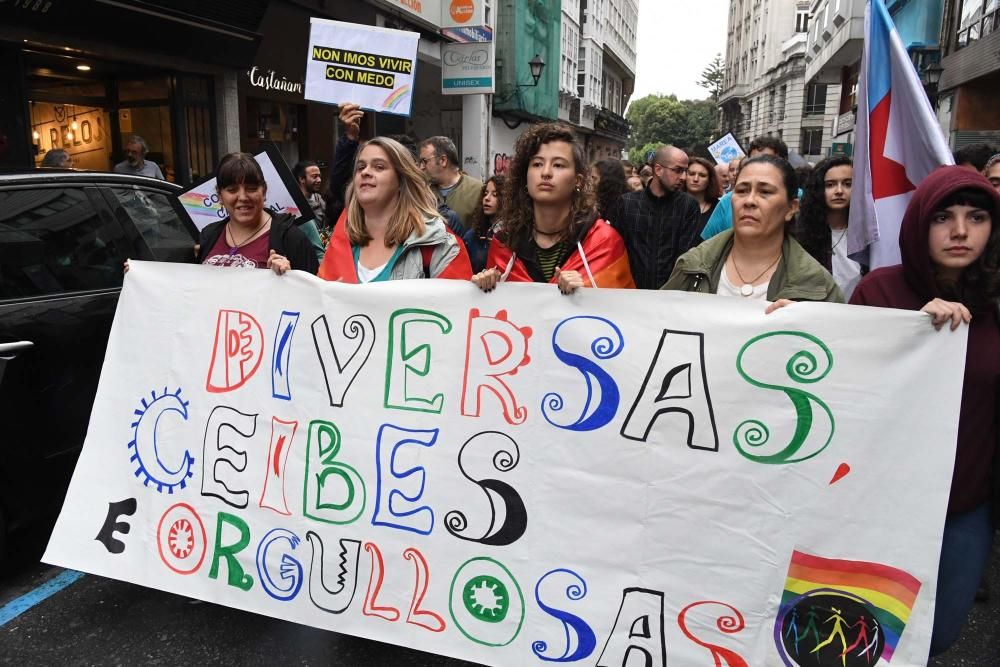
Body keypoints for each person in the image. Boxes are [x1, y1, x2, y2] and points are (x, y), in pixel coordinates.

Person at [849, 166, 1000, 656]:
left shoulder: (996, 304)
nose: (960, 231)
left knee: (942, 630)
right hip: (881, 503)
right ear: (918, 224)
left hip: (964, 505)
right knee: (869, 632)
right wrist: (908, 336)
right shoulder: (879, 293)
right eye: (943, 217)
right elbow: (847, 388)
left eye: (976, 216)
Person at [471, 123, 634, 294]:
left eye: (558, 165)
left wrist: (588, 291)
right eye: (537, 164)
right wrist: (484, 287)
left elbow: (623, 312)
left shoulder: (604, 242)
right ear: (525, 177)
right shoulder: (504, 243)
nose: (546, 172)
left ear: (578, 180)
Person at [662, 155, 843, 307]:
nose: (749, 201)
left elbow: (835, 344)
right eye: (741, 190)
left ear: (791, 208)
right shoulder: (691, 266)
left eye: (765, 192)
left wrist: (806, 325)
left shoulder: (818, 286)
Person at [317, 136, 471, 283]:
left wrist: (484, 285)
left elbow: (458, 306)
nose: (365, 172)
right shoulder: (340, 243)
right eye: (360, 167)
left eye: (379, 167)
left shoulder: (437, 243)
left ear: (400, 181)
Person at [197, 152, 318, 275]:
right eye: (232, 190)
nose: (243, 197)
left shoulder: (292, 239)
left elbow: (314, 290)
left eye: (251, 189)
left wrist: (291, 277)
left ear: (264, 191)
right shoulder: (209, 235)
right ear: (220, 196)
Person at [607, 145, 700, 290]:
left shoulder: (688, 206)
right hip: (629, 293)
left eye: (685, 171)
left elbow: (685, 257)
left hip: (671, 296)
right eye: (677, 170)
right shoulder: (627, 203)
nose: (683, 177)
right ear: (658, 170)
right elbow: (616, 252)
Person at [794, 156, 863, 300]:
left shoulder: (867, 235)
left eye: (847, 184)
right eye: (830, 185)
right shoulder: (800, 234)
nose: (839, 191)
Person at [702, 137, 790, 240]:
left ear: (792, 208)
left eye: (766, 161)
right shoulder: (728, 201)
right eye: (753, 161)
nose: (749, 202)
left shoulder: (800, 199)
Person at [417, 136, 482, 233]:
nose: (421, 167)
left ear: (443, 160)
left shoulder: (478, 190)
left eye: (425, 161)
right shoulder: (421, 193)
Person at [463, 175, 505, 273]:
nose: (487, 198)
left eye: (495, 195)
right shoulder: (472, 236)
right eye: (485, 194)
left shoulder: (515, 235)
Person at [685, 156, 723, 236]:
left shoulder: (719, 208)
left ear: (710, 180)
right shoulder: (672, 204)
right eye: (691, 174)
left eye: (702, 175)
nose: (695, 179)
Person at [591, 158, 629, 223]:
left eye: (594, 178)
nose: (591, 182)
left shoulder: (624, 206)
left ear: (606, 180)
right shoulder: (600, 202)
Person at [293, 160, 326, 229]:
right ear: (302, 179)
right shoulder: (293, 203)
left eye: (319, 176)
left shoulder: (319, 200)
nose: (319, 180)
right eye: (314, 176)